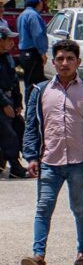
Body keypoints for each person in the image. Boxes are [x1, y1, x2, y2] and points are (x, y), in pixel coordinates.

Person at [20, 39, 83, 265]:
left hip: (80, 163)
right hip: (49, 163)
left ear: (78, 62)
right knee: (43, 208)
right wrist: (31, 157)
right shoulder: (40, 91)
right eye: (60, 59)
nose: (65, 63)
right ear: (52, 61)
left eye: (70, 59)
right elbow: (31, 127)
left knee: (80, 208)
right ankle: (39, 256)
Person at [0, 25, 28, 178]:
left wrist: (18, 102)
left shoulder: (8, 57)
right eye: (9, 39)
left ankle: (31, 160)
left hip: (9, 100)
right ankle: (15, 167)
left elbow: (15, 80)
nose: (13, 42)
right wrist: (4, 104)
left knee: (20, 125)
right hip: (1, 102)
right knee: (7, 131)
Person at [17, 0, 49, 101]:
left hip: (24, 53)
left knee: (29, 82)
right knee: (34, 85)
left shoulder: (22, 15)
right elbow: (38, 35)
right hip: (33, 53)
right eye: (41, 2)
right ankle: (31, 112)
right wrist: (43, 52)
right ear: (38, 2)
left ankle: (31, 110)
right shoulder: (34, 16)